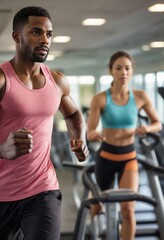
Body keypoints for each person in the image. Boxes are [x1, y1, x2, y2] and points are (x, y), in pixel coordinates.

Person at [0, 6, 89, 240]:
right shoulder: (2, 80)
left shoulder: (56, 81)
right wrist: (2, 150)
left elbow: (73, 115)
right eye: (36, 32)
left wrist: (78, 137)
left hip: (42, 189)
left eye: (49, 34)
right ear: (17, 36)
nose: (45, 40)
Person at [87, 51, 162, 240]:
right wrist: (94, 134)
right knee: (96, 207)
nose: (123, 72)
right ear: (111, 71)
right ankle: (94, 233)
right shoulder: (100, 99)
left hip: (129, 159)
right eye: (118, 68)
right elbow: (90, 131)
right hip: (105, 158)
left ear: (132, 71)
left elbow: (158, 123)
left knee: (128, 210)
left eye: (127, 68)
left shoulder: (140, 96)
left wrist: (147, 127)